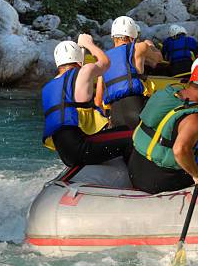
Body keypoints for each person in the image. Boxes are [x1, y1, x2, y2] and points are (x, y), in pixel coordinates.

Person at [127, 60, 198, 194]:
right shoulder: (197, 119)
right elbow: (180, 150)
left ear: (191, 80)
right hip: (155, 180)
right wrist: (197, 175)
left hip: (135, 164)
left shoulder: (168, 92)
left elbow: (171, 119)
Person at [41, 35, 131, 167]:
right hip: (81, 150)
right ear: (79, 61)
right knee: (132, 138)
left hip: (66, 156)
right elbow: (106, 63)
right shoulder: (84, 71)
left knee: (122, 129)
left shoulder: (47, 88)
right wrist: (88, 44)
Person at [95, 16, 163, 130]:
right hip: (137, 108)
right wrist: (150, 45)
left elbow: (97, 101)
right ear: (133, 36)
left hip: (115, 117)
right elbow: (158, 60)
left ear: (113, 37)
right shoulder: (140, 47)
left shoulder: (103, 60)